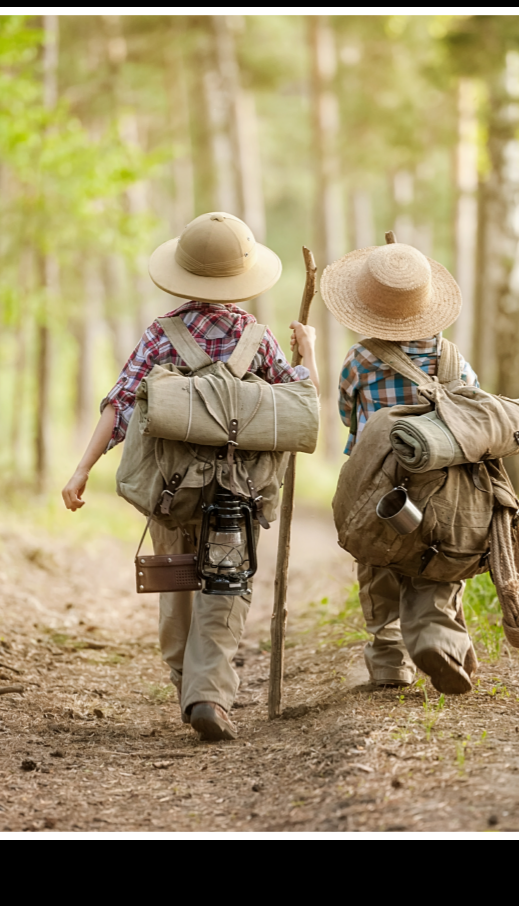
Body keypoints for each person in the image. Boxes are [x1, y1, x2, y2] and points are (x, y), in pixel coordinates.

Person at [59, 212, 316, 742]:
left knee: (176, 585)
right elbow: (298, 406)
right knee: (226, 589)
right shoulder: (258, 339)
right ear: (242, 278)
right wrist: (308, 354)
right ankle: (208, 695)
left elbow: (119, 405)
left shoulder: (162, 334)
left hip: (169, 491)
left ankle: (186, 680)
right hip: (237, 494)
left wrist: (82, 469)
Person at [320, 238, 481, 695]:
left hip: (379, 484)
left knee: (378, 562)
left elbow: (347, 415)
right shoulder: (453, 359)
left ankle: (390, 657)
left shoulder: (360, 359)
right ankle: (435, 638)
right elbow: (472, 409)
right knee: (438, 560)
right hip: (445, 485)